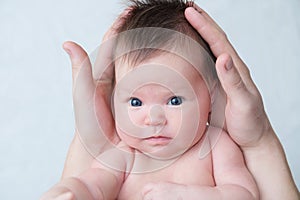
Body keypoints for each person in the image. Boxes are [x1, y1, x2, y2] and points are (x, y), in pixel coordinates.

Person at [43, 1, 299, 200]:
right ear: (113, 101)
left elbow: (244, 194)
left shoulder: (215, 146)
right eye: (135, 102)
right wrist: (69, 191)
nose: (153, 119)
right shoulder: (124, 155)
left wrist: (186, 194)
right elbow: (93, 185)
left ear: (210, 97)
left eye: (174, 100)